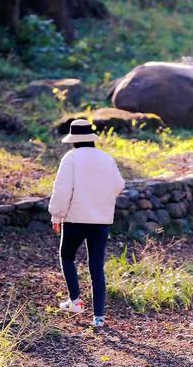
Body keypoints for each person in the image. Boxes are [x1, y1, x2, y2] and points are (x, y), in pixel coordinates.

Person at [49, 119, 125, 328]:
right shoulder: (106, 159)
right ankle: (99, 317)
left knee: (67, 257)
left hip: (75, 219)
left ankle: (75, 301)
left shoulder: (71, 158)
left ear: (73, 140)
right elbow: (119, 185)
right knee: (96, 268)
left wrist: (57, 215)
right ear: (91, 139)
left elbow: (62, 189)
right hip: (101, 221)